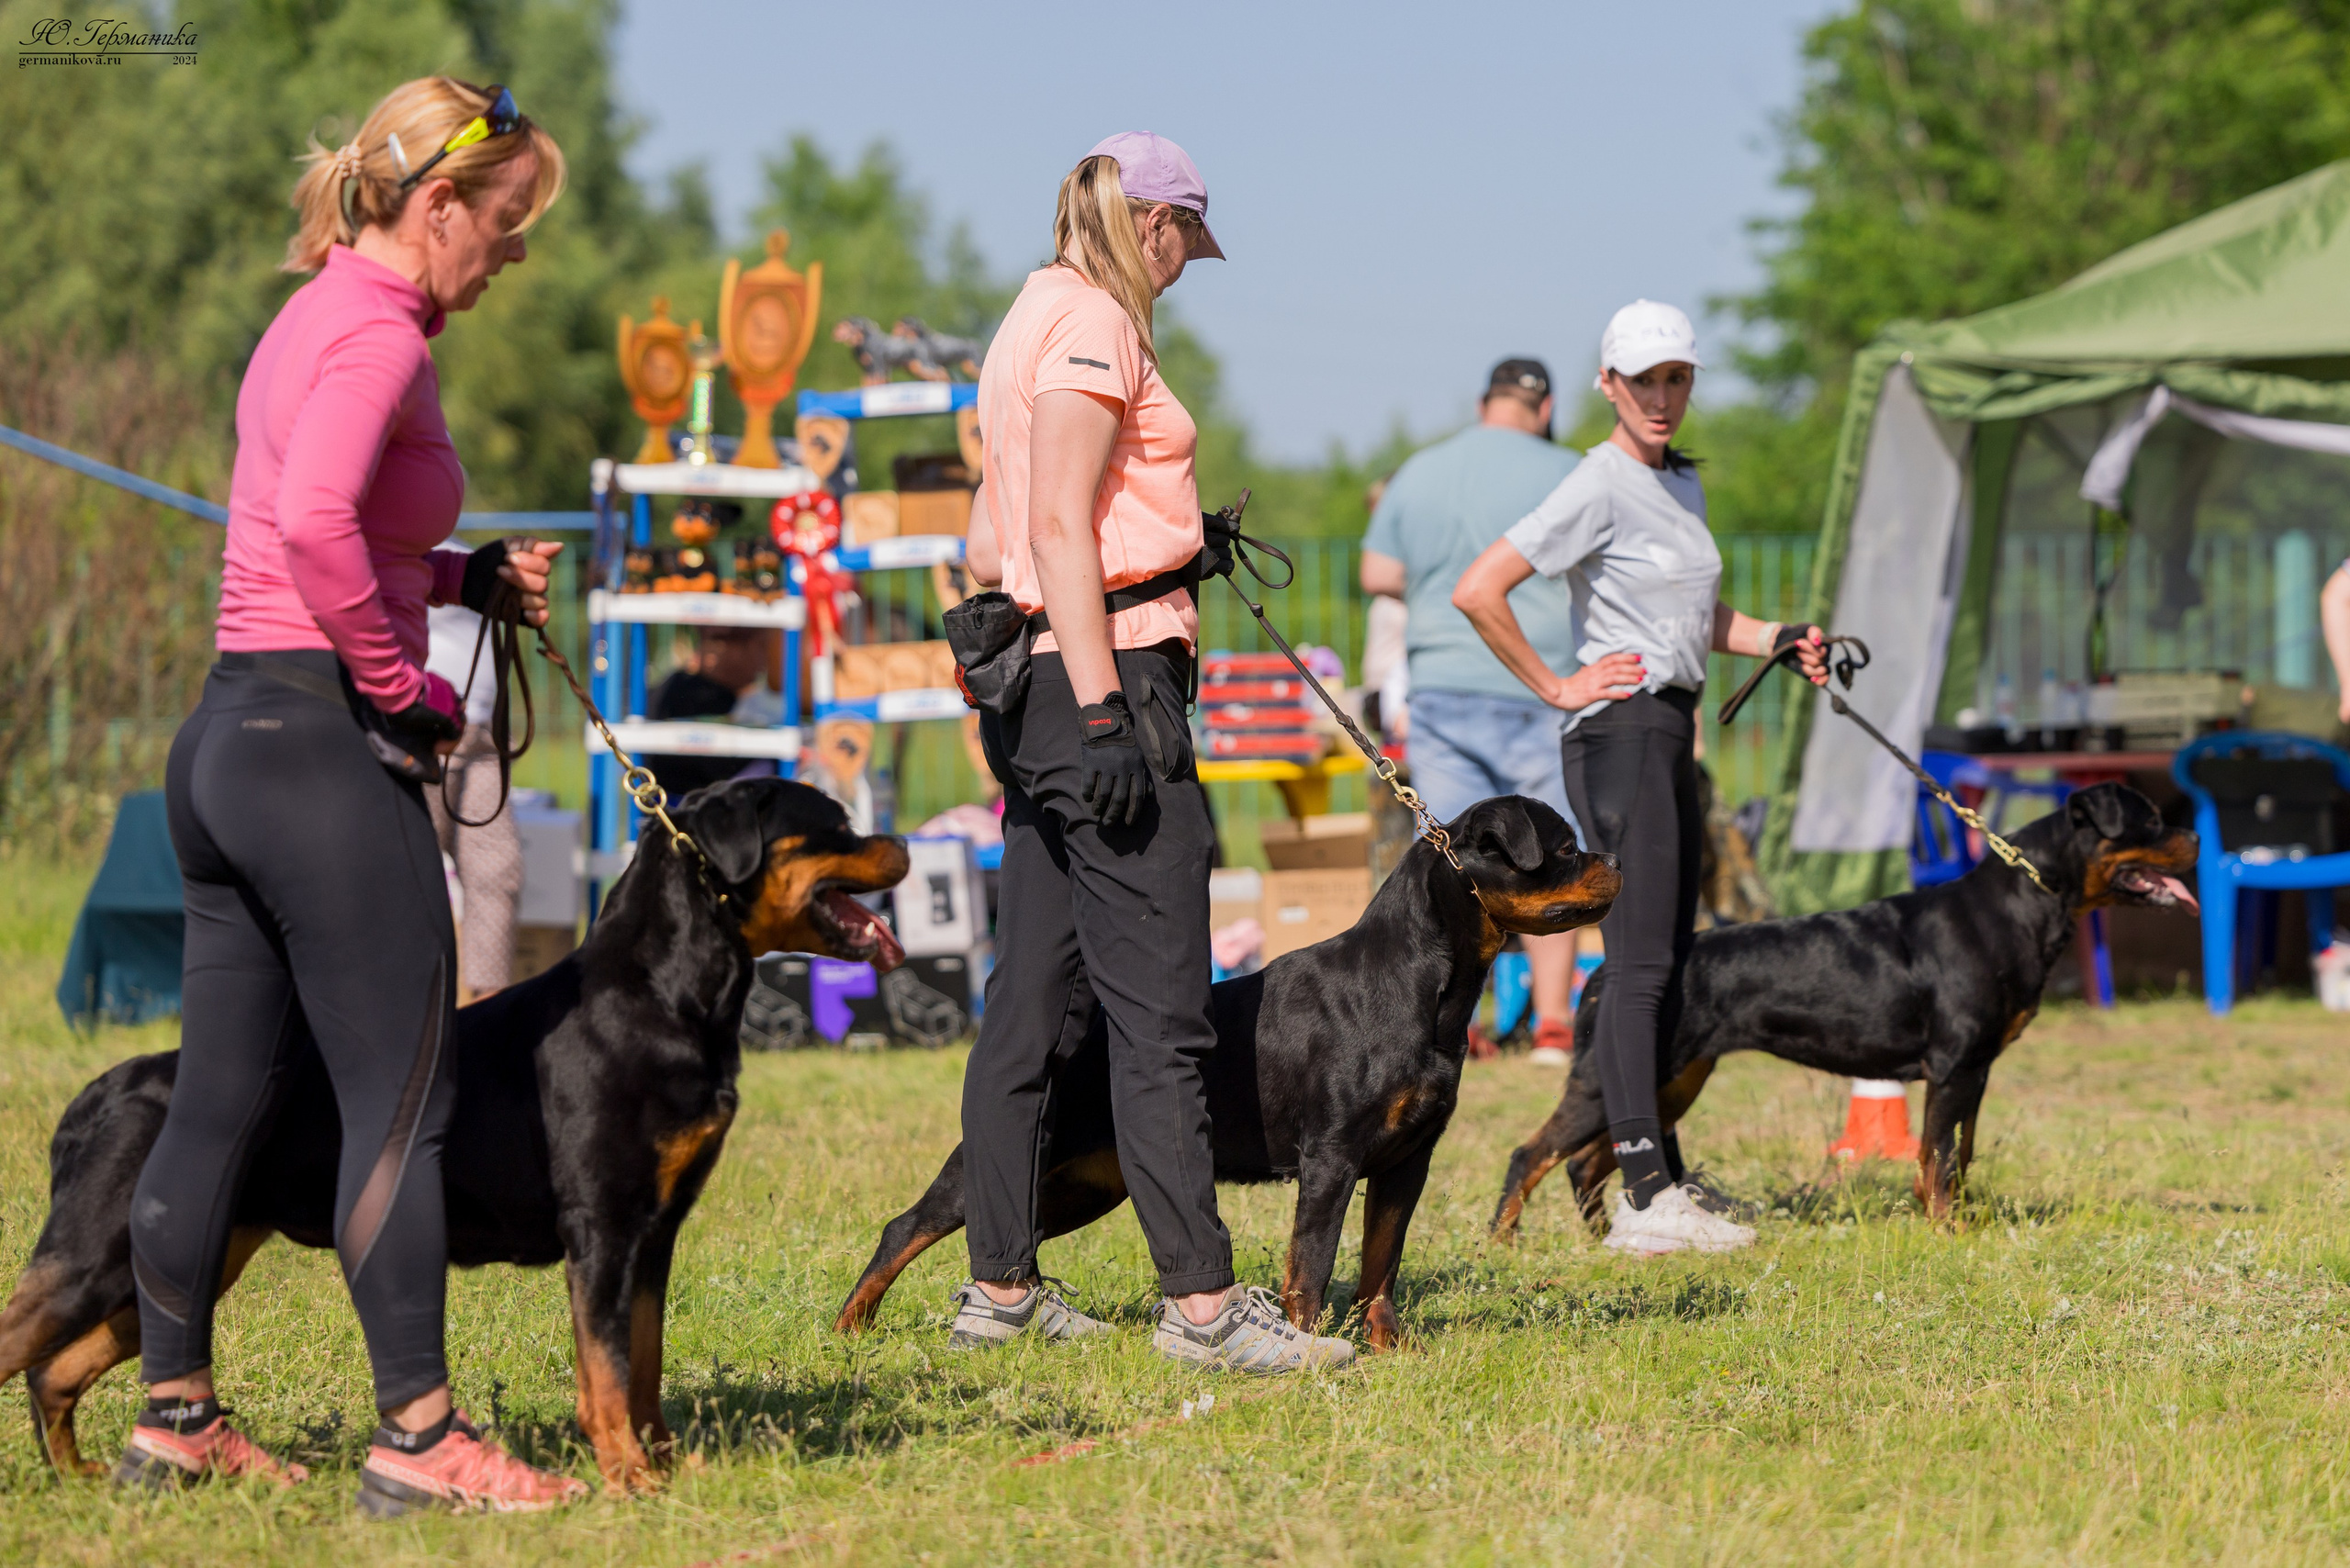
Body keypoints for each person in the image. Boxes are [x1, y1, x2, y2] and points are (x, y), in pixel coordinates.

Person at [121, 76, 589, 1513]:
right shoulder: (377, 333)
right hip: (323, 757)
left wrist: (459, 580)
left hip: (227, 744)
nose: (511, 253)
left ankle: (175, 1417)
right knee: (404, 1101)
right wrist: (404, 684)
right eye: (504, 224)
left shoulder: (316, 313)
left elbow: (311, 527)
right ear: (437, 204)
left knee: (220, 1102)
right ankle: (421, 1438)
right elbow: (321, 521)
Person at [952, 132, 1352, 1371]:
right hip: (1106, 686)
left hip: (1047, 688)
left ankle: (1001, 1288)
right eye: (1187, 243)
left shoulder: (1028, 314)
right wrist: (1109, 711)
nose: (1185, 271)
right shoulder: (1095, 326)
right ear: (1156, 222)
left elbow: (989, 537)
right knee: (1163, 1014)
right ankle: (1203, 1308)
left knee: (1027, 1007)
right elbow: (1063, 526)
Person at [1454, 300, 1827, 1257]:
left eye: (1677, 379)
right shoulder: (1600, 481)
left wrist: (1774, 638)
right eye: (1643, 380)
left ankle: (1653, 1179)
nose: (1662, 397)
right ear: (1608, 387)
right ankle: (1644, 1194)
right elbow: (1479, 586)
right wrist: (1556, 683)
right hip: (1615, 732)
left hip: (1667, 727)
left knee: (1667, 956)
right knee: (1639, 963)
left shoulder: (1679, 485)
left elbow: (1691, 618)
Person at [1361, 360, 1585, 1061]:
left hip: (1443, 687)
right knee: (1552, 853)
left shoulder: (1422, 470)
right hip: (1539, 682)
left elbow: (1378, 574)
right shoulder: (1573, 470)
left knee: (1453, 863)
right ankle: (1552, 1021)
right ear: (1543, 407)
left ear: (1485, 402)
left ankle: (1458, 1023)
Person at [426, 591, 523, 1003]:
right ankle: (413, 1002)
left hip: (485, 728)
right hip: (426, 722)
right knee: (418, 862)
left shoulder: (463, 545)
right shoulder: (393, 539)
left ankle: (490, 1009)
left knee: (498, 869)